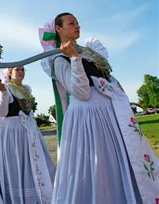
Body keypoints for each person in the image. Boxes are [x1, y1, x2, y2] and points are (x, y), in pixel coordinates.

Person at [40, 13, 159, 203]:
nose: (77, 26)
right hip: (89, 118)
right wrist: (74, 58)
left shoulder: (89, 51)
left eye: (78, 23)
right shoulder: (58, 59)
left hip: (112, 114)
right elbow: (81, 92)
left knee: (122, 161)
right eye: (72, 23)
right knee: (100, 166)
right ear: (58, 29)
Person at [0, 67, 55, 203]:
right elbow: (2, 112)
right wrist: (2, 93)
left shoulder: (26, 89)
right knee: (18, 164)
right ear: (10, 72)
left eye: (23, 69)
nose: (21, 72)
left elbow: (29, 112)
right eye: (17, 69)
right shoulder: (6, 88)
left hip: (28, 131)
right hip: (13, 132)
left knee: (32, 163)